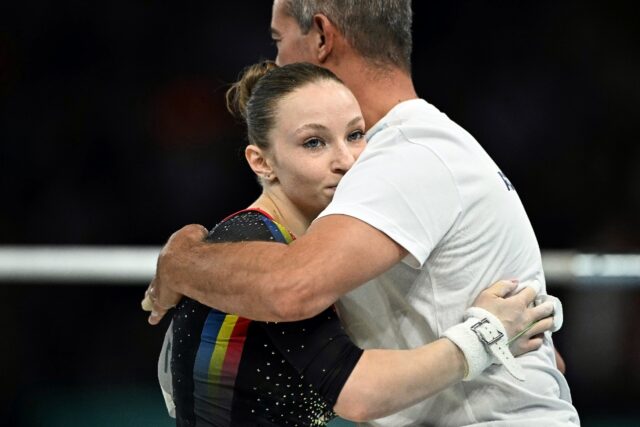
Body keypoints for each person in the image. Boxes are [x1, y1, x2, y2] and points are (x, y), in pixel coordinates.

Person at [144, 1, 580, 425]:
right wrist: (486, 338)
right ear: (261, 161)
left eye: (279, 40)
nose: (276, 62)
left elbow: (290, 288)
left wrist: (181, 262)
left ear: (320, 36)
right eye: (315, 141)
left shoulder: (402, 157)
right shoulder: (417, 150)